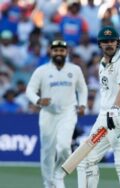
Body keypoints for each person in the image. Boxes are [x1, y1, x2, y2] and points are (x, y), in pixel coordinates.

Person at [77, 26, 120, 188]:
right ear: (99, 44)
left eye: (112, 41)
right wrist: (109, 111)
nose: (109, 44)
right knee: (85, 159)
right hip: (103, 118)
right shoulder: (102, 64)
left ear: (117, 42)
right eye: (105, 42)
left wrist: (115, 108)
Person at [26, 39, 88, 188]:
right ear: (51, 52)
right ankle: (49, 184)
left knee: (64, 147)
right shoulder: (42, 71)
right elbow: (30, 90)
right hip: (48, 114)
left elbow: (82, 88)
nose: (58, 53)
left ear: (66, 52)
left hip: (68, 112)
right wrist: (39, 101)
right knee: (47, 151)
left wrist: (82, 105)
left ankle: (58, 176)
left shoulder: (75, 70)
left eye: (61, 50)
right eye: (56, 50)